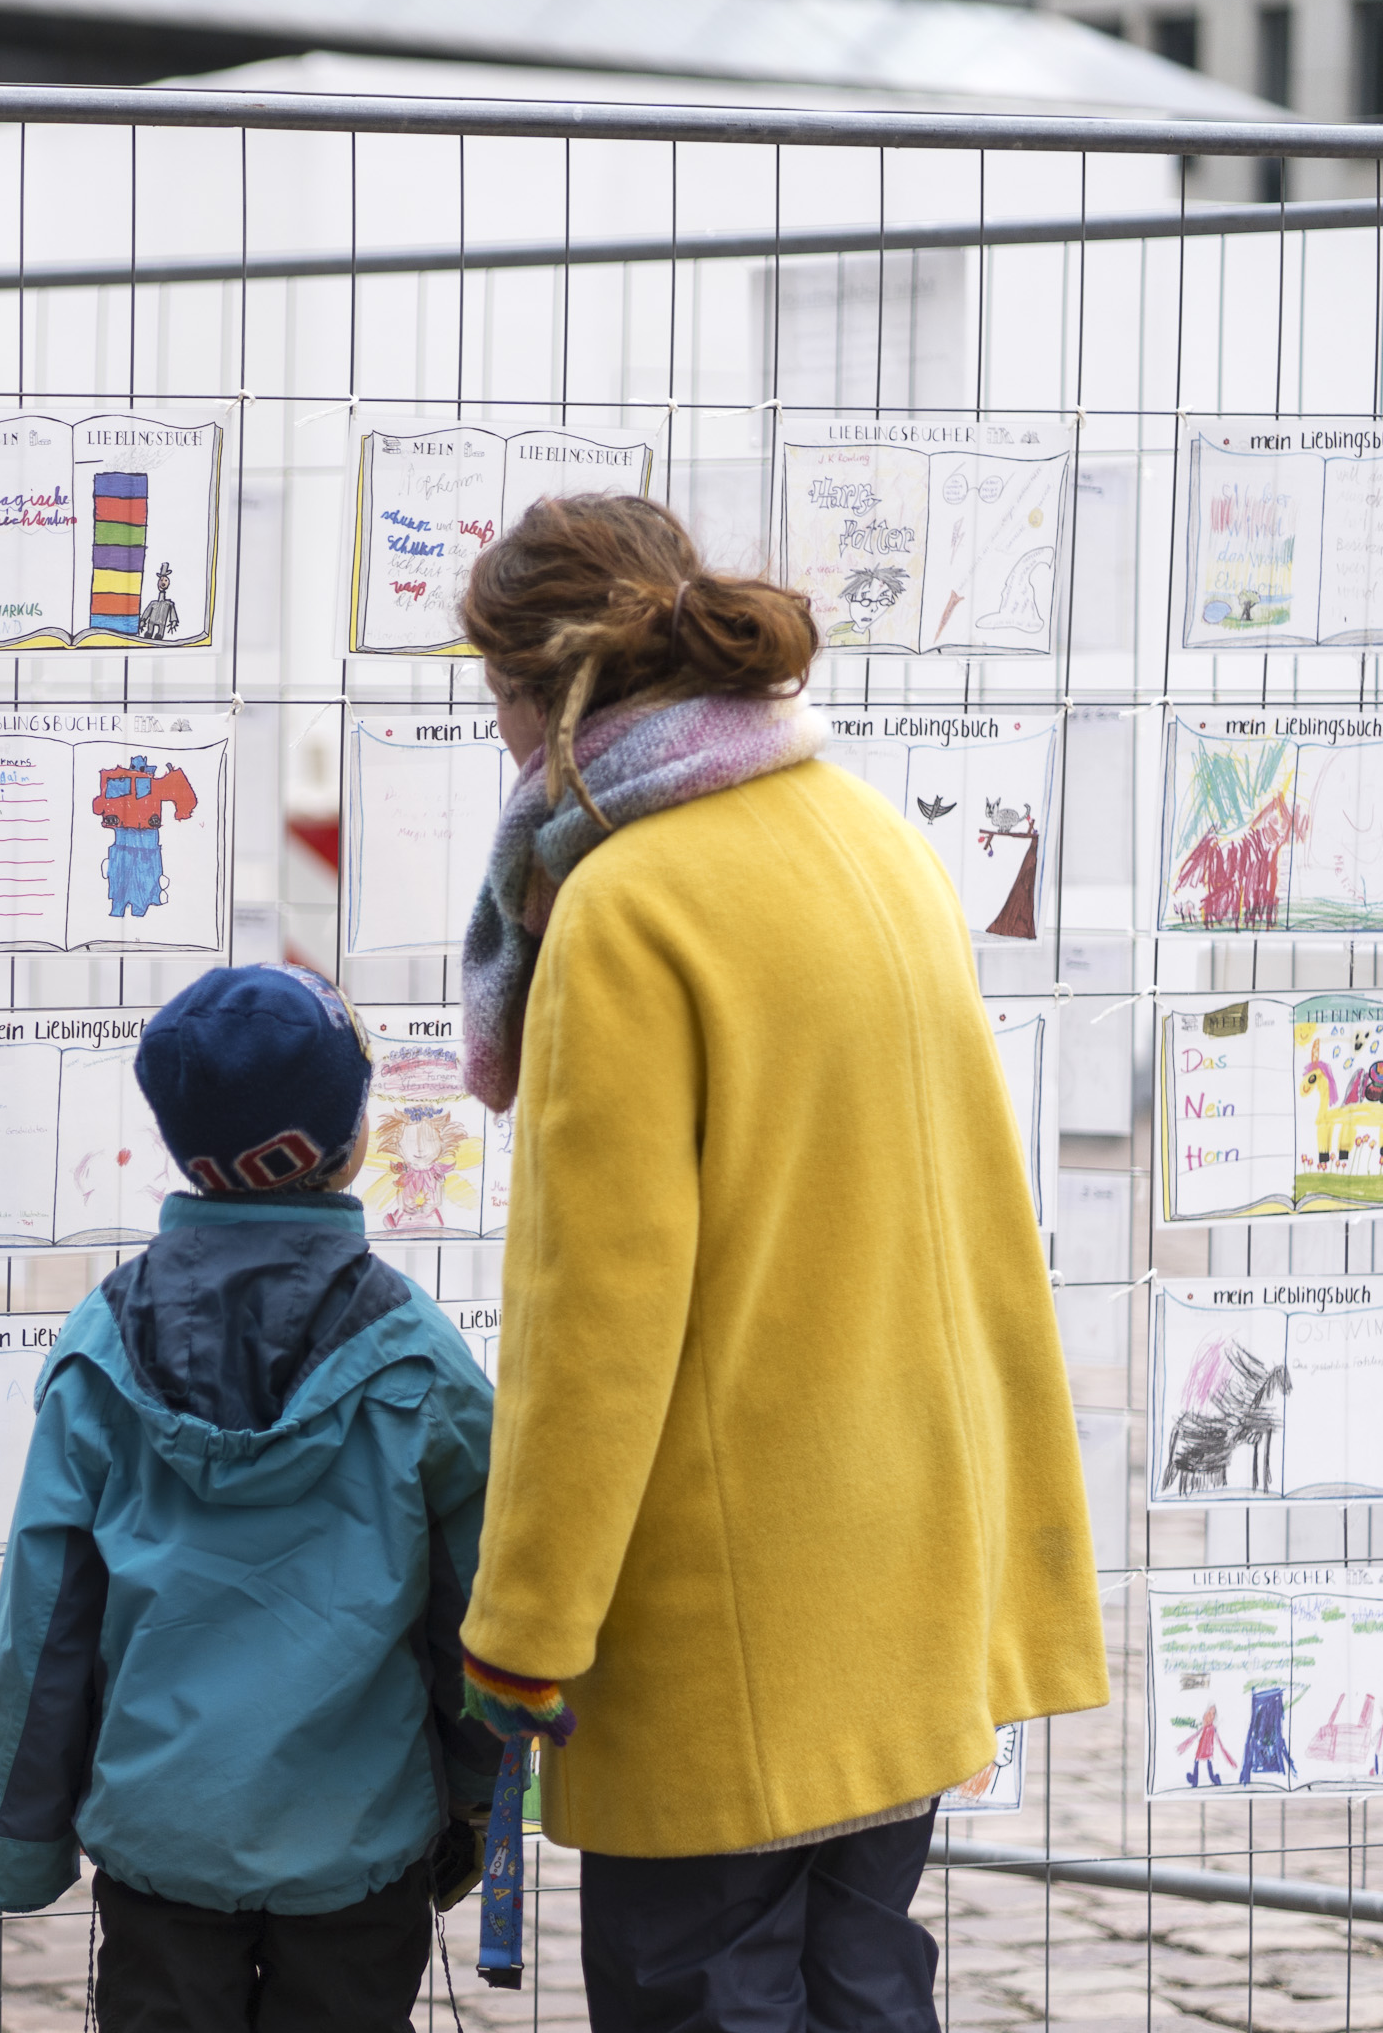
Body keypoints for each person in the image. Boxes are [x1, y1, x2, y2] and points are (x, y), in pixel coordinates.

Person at [444, 494, 1106, 2030]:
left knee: (701, 1998)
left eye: (493, 696)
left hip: (731, 1612)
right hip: (908, 1576)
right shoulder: (869, 833)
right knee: (862, 1983)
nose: (495, 735)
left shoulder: (625, 905)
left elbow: (593, 1326)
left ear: (550, 689)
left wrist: (525, 1633)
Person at [0, 963, 500, 2033]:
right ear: (348, 1139)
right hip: (359, 1841)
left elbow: (45, 1616)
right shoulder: (420, 1358)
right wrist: (476, 1800)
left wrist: (20, 1840)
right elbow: (477, 1606)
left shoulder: (100, 1344)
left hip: (161, 1840)